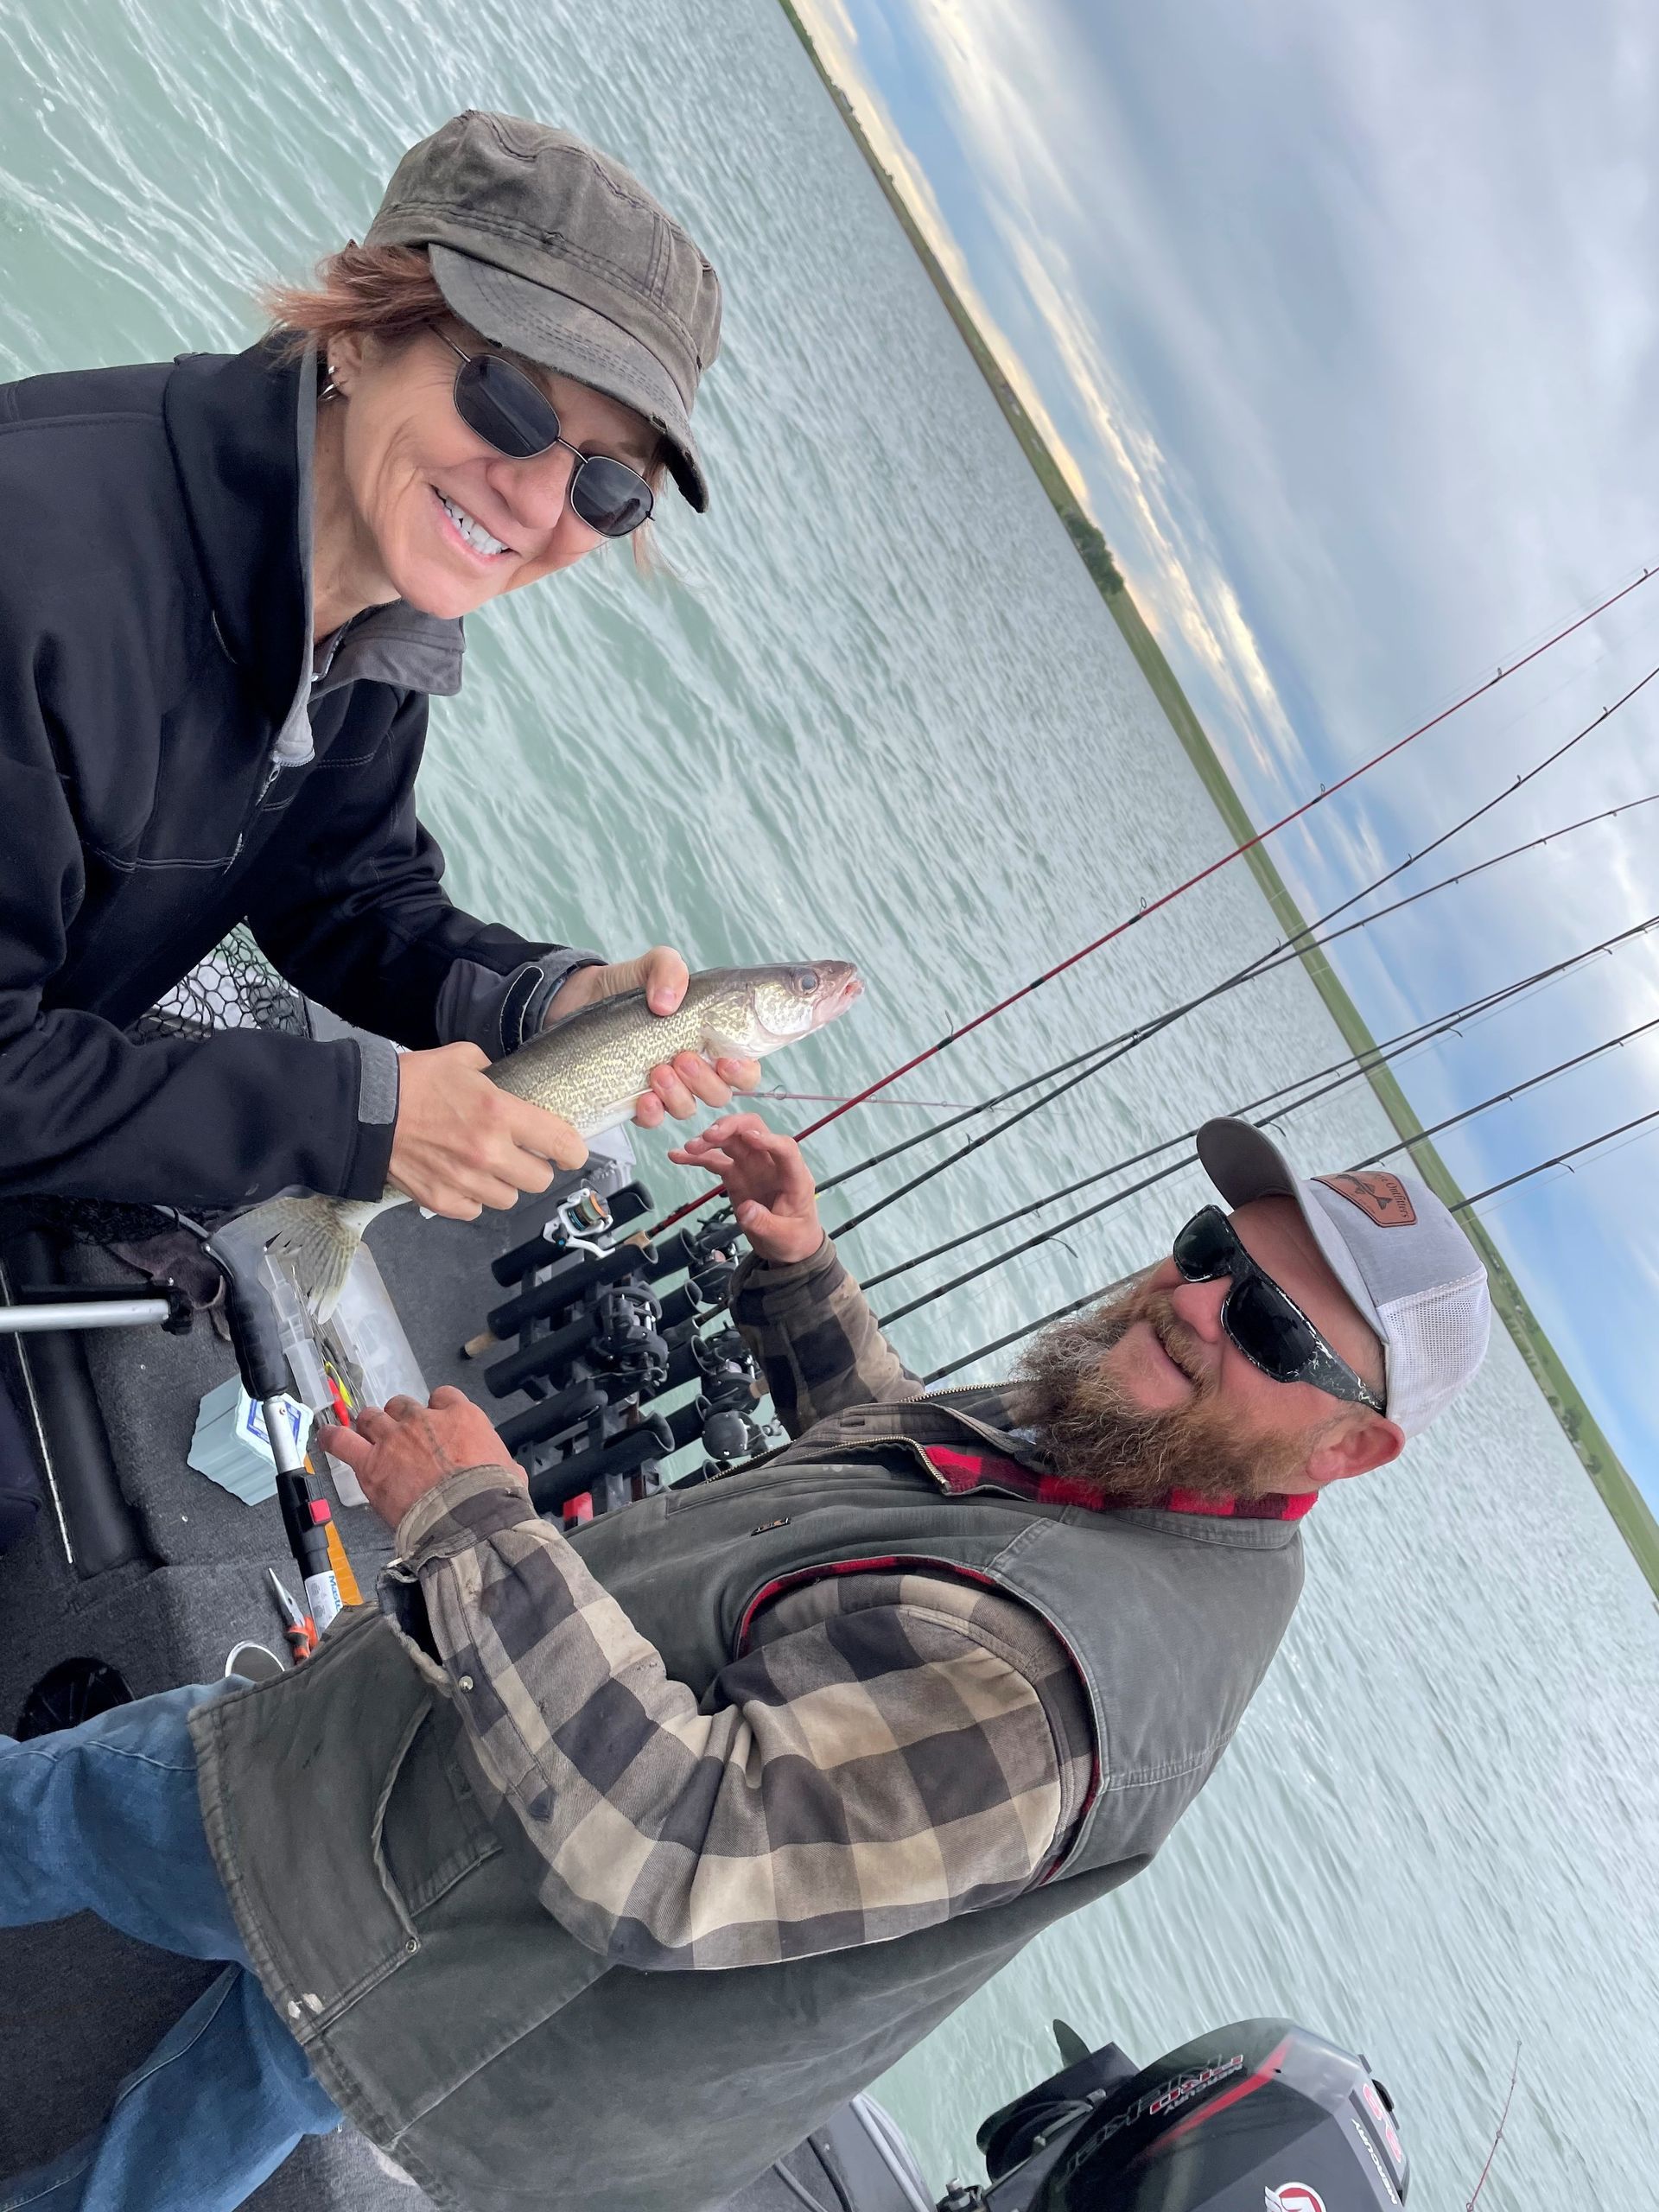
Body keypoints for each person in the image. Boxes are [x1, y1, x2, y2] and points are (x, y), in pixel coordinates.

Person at [0, 1115, 1490, 2210]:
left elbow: (680, 1847)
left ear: (1354, 1446)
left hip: (429, 1866)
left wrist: (468, 1523)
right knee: (265, 2064)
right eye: (1217, 1251)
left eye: (1279, 1325)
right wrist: (802, 1284)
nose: (1201, 1302)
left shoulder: (1066, 1696)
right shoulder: (1139, 1459)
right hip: (436, 1950)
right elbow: (912, 1516)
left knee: (59, 1812)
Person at [0, 111, 756, 1227]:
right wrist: (357, 1119)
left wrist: (551, 1004)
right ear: (361, 325)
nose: (540, 502)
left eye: (607, 486)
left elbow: (343, 891)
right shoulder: (38, 558)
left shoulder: (375, 631)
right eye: (509, 402)